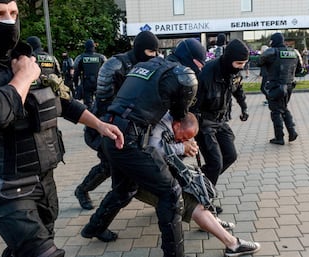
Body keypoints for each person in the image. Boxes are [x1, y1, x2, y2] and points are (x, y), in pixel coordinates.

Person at [0, 1, 123, 257]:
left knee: (33, 245)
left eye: (13, 13)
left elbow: (58, 100)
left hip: (42, 175)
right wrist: (23, 75)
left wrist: (99, 124)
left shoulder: (20, 57)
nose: (9, 22)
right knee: (42, 252)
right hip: (0, 182)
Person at [81, 38, 205, 257]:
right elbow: (179, 118)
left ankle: (94, 227)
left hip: (111, 133)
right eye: (200, 63)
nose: (201, 68)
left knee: (125, 188)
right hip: (130, 139)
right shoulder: (183, 76)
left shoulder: (145, 65)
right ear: (192, 61)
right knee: (170, 192)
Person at [135, 111, 261, 257]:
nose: (183, 140)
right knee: (189, 202)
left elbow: (167, 152)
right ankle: (232, 244)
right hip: (140, 179)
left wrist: (185, 148)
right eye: (183, 137)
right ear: (176, 125)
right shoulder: (159, 122)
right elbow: (153, 150)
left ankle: (212, 223)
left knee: (196, 191)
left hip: (150, 173)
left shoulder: (168, 118)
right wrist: (182, 148)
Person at [75, 30, 160, 210]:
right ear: (139, 49)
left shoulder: (151, 66)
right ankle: (83, 192)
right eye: (150, 52)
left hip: (130, 126)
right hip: (104, 124)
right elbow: (104, 102)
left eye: (155, 52)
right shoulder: (115, 64)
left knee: (118, 166)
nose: (153, 56)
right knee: (110, 164)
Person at [190, 39, 249, 207]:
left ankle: (197, 182)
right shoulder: (207, 74)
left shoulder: (234, 73)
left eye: (244, 63)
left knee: (230, 156)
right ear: (229, 58)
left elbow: (238, 90)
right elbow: (192, 105)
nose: (241, 67)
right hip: (204, 123)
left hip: (221, 120)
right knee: (215, 163)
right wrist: (191, 132)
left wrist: (244, 107)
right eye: (239, 63)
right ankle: (203, 204)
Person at [258, 32, 302, 145]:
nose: (270, 43)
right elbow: (299, 70)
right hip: (289, 86)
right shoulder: (294, 52)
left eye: (271, 41)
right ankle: (292, 132)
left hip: (276, 86)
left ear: (274, 41)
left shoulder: (272, 51)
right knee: (283, 108)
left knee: (276, 111)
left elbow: (259, 61)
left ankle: (279, 137)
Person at [73, 39, 107, 108]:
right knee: (100, 102)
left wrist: (76, 85)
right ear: (93, 46)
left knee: (88, 104)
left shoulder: (80, 57)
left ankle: (91, 115)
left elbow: (76, 73)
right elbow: (107, 71)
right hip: (99, 83)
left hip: (86, 83)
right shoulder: (101, 57)